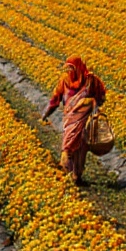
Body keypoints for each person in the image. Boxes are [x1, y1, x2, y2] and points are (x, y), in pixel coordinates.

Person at [41, 55, 107, 183]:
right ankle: (66, 172)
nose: (70, 72)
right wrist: (46, 114)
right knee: (68, 146)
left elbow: (101, 96)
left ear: (79, 67)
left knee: (81, 147)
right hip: (70, 120)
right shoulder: (65, 81)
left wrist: (90, 105)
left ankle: (77, 175)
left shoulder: (91, 81)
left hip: (85, 120)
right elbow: (56, 99)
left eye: (72, 68)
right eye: (68, 69)